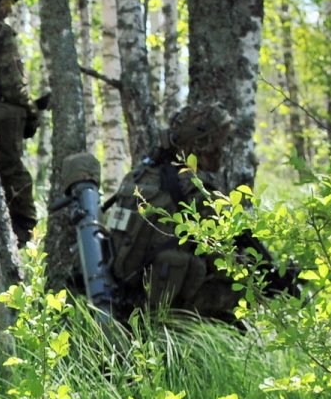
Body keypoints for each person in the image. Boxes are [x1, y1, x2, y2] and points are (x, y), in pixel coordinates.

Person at [100, 102, 299, 324]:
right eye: (218, 145)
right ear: (200, 146)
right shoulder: (195, 192)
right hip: (163, 304)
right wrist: (271, 281)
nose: (222, 152)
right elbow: (224, 263)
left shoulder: (139, 176)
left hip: (125, 293)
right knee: (245, 289)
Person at [0, 0, 46, 250]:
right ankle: (25, 232)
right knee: (14, 172)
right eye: (7, 0)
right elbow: (11, 84)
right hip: (1, 116)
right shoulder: (0, 33)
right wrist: (31, 111)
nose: (9, 8)